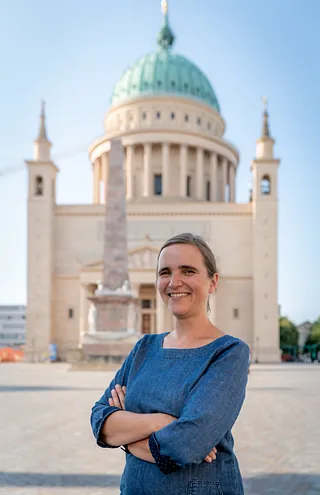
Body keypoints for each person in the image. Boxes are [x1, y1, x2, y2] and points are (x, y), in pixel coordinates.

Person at [90, 233, 250, 494]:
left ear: (213, 282)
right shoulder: (145, 347)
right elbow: (99, 419)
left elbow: (189, 443)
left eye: (188, 271)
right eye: (165, 272)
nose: (175, 282)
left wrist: (126, 434)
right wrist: (163, 422)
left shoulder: (229, 352)